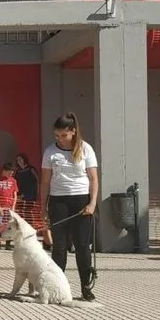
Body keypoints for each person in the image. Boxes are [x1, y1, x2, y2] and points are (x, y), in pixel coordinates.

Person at [39, 112, 99, 301]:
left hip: (81, 200)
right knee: (59, 247)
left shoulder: (85, 149)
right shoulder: (50, 151)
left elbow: (94, 179)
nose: (60, 139)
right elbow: (45, 182)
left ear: (73, 132)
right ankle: (58, 288)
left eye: (63, 135)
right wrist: (43, 207)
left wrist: (92, 203)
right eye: (56, 135)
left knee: (82, 246)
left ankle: (85, 287)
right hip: (58, 201)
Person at [0, 163, 18, 250]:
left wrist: (13, 206)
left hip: (9, 208)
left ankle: (8, 244)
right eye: (9, 172)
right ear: (4, 171)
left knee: (9, 225)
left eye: (12, 173)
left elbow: (15, 195)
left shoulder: (13, 181)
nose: (10, 175)